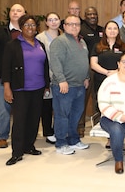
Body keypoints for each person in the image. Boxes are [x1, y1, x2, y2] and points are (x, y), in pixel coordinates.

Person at [2, 15, 50, 165]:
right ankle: (17, 152)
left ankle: (29, 146)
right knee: (20, 121)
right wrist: (7, 88)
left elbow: (45, 65)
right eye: (27, 25)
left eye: (33, 25)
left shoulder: (40, 44)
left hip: (38, 88)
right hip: (20, 88)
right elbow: (6, 69)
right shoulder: (13, 45)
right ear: (21, 27)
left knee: (34, 119)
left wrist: (46, 85)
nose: (30, 28)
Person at [50, 15, 91, 155]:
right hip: (65, 86)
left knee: (75, 115)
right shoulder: (59, 42)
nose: (74, 26)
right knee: (62, 115)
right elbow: (55, 62)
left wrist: (86, 77)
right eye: (71, 24)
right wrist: (61, 80)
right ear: (64, 26)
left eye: (77, 24)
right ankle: (61, 143)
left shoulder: (82, 41)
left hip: (79, 86)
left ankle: (73, 139)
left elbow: (83, 60)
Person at [0, 3, 25, 148]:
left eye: (19, 10)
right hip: (4, 77)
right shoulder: (0, 32)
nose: (15, 12)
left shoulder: (28, 31)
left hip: (23, 78)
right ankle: (2, 136)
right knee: (4, 108)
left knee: (22, 108)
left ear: (24, 13)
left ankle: (22, 135)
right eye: (13, 10)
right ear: (9, 14)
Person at [36, 12, 61, 145]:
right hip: (45, 75)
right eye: (50, 20)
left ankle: (58, 130)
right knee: (46, 106)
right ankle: (48, 132)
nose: (53, 22)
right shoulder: (40, 38)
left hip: (60, 76)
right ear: (46, 22)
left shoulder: (63, 36)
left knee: (59, 106)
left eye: (56, 19)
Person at [79, 6, 103, 138]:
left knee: (99, 97)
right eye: (89, 14)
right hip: (86, 67)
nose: (92, 16)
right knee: (83, 98)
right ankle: (80, 126)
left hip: (100, 67)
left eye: (94, 14)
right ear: (85, 16)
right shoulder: (81, 29)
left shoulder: (101, 30)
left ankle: (99, 124)